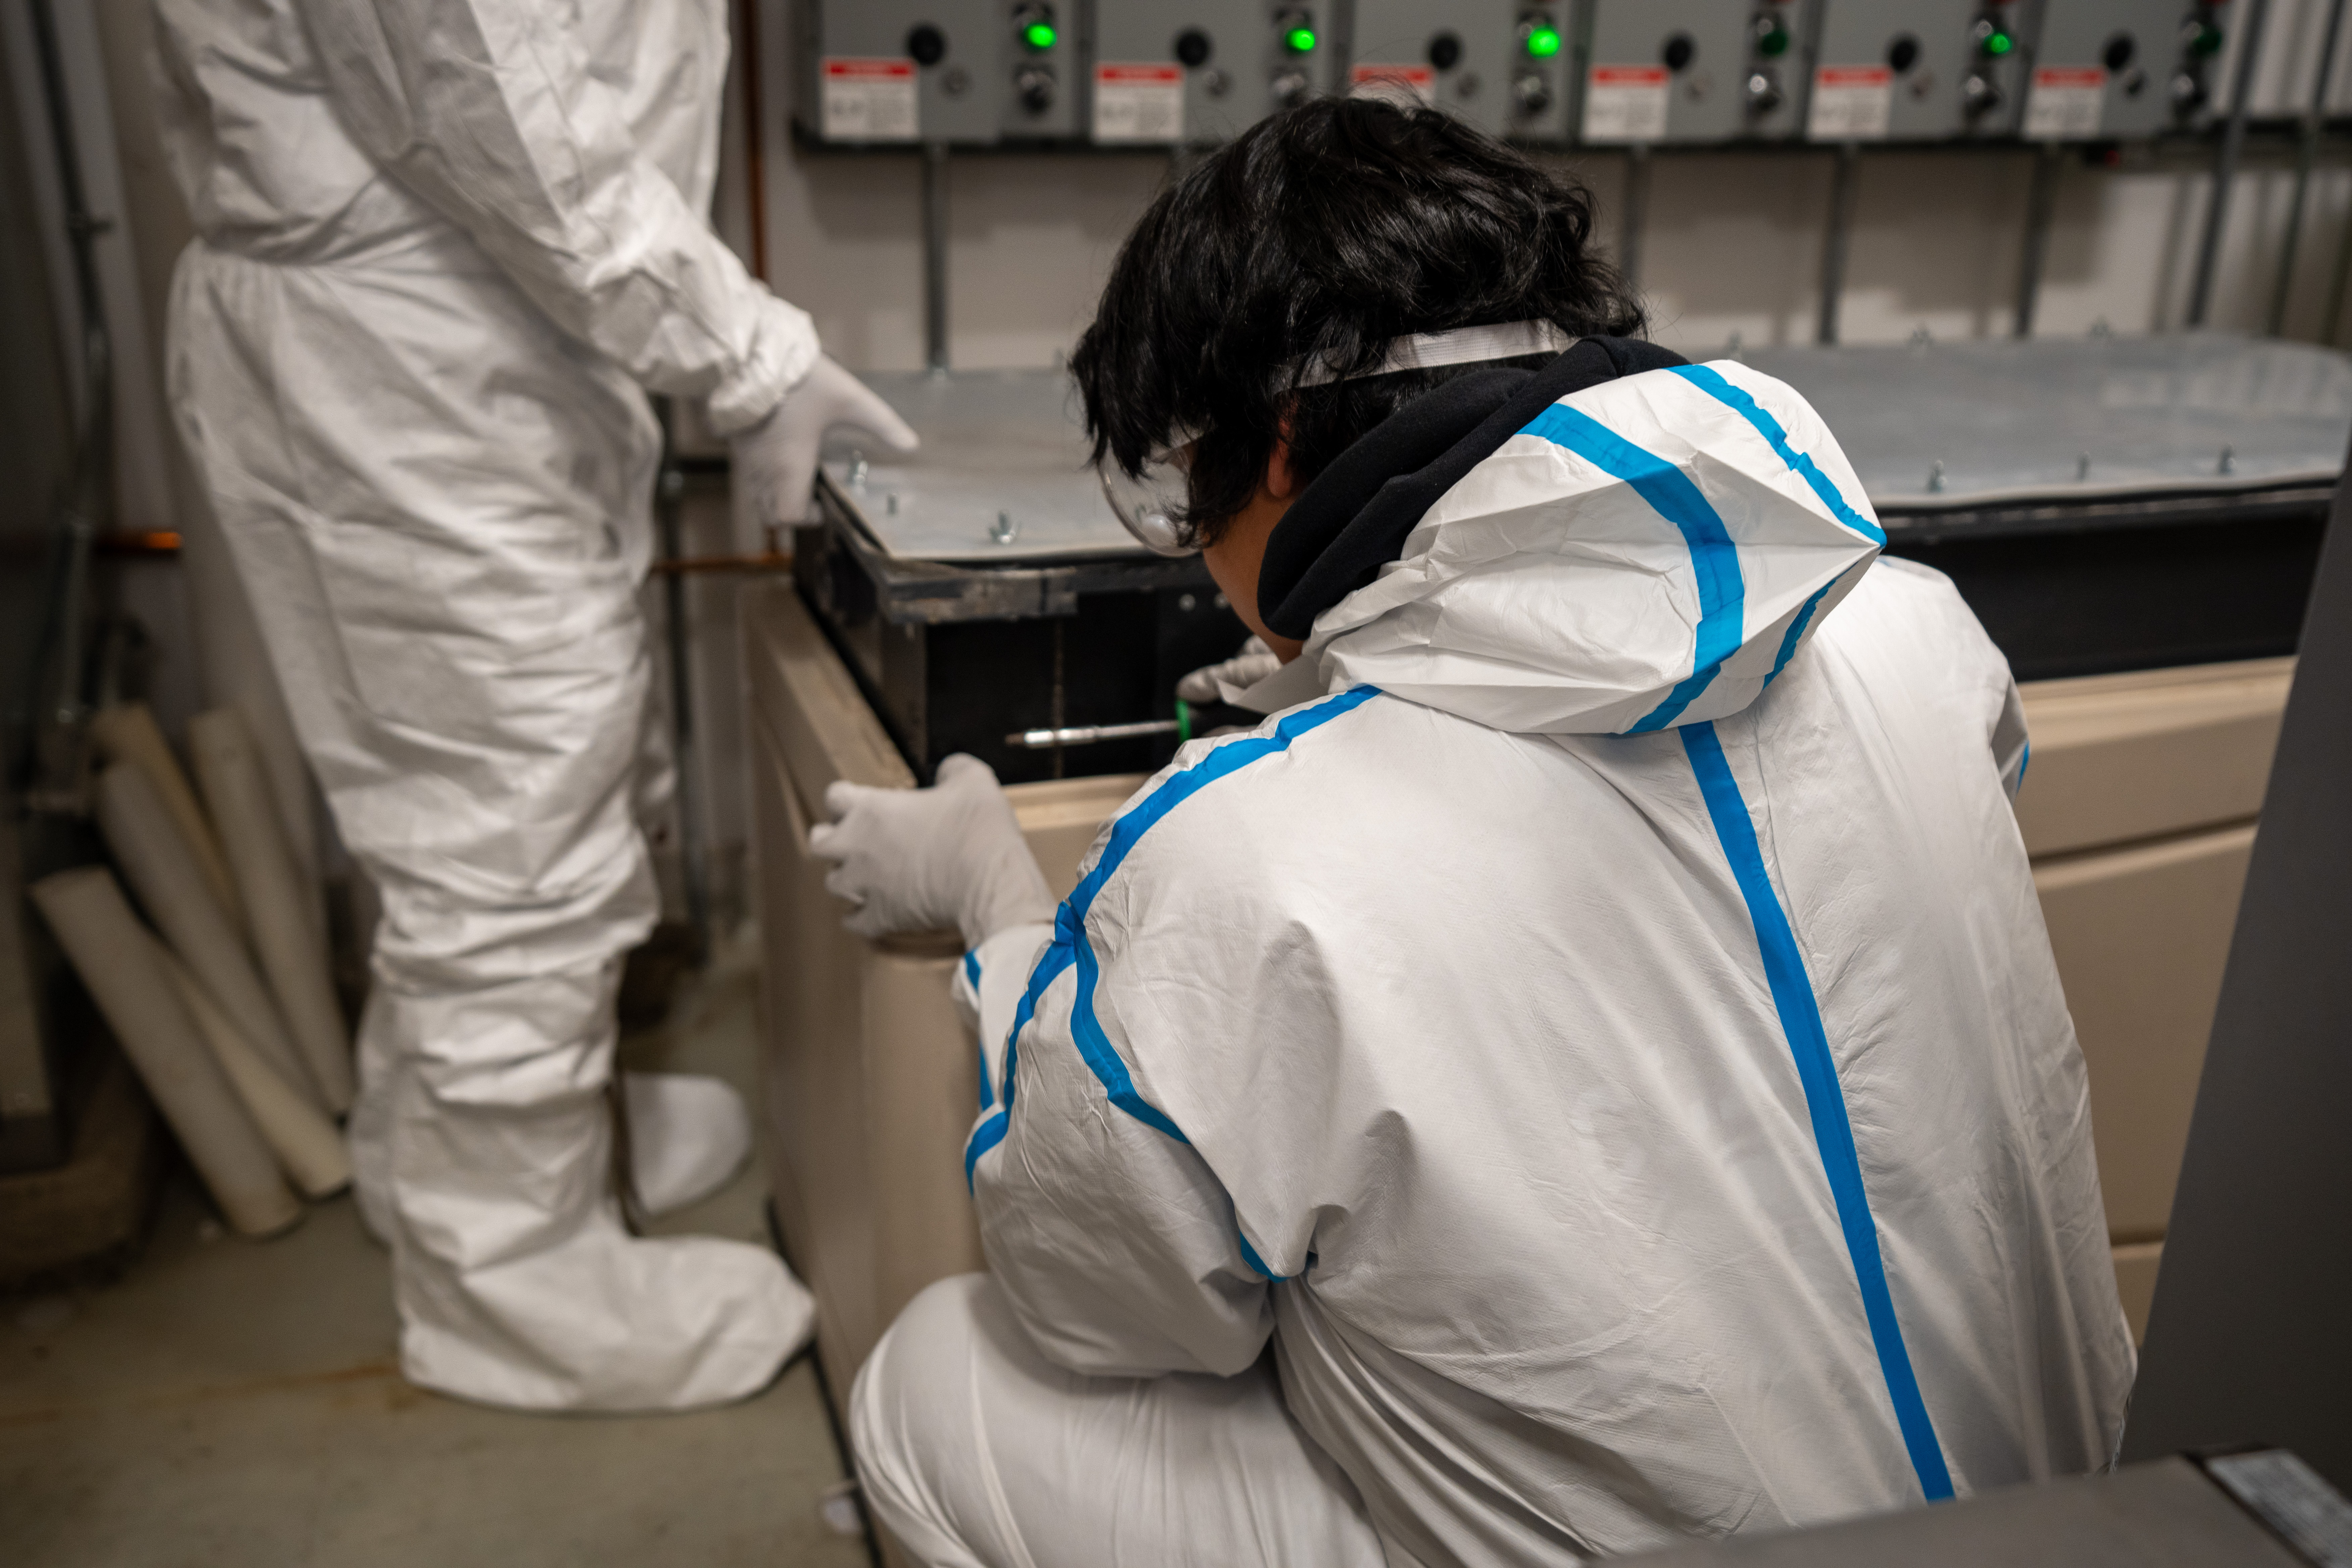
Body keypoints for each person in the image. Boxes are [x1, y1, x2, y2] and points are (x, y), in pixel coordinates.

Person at [819, 99, 2134, 1564]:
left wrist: (1005, 922)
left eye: (1184, 492)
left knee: (934, 1380)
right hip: (2079, 1522)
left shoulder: (1250, 856)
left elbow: (1105, 1296)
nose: (1196, 560)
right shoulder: (1915, 630)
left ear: (1283, 446)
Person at [151, 0, 915, 1411]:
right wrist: (754, 355)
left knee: (494, 782)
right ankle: (510, 1280)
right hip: (410, 328)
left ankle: (442, 1150)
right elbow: (485, 90)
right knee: (509, 805)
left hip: (466, 305)